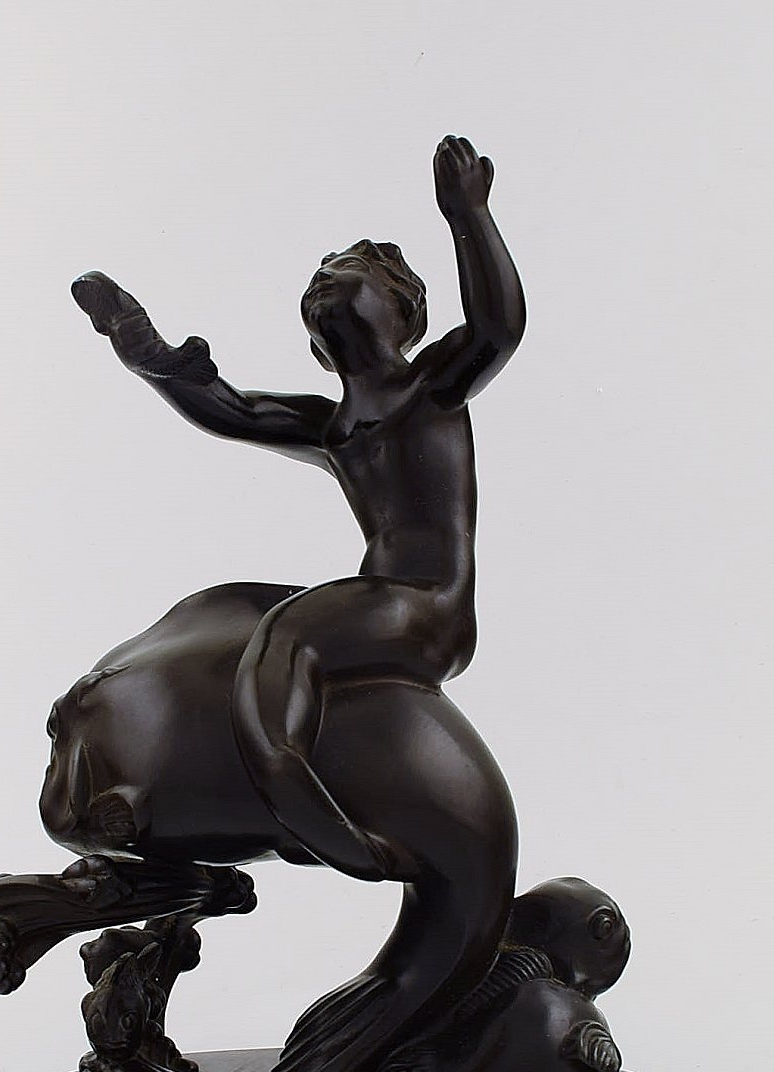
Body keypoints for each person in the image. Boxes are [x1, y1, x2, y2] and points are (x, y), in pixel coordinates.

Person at [73, 136, 525, 883]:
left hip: (427, 604)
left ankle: (297, 792)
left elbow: (497, 328)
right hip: (376, 596)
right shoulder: (331, 424)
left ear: (400, 309)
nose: (321, 281)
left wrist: (467, 215)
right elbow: (233, 410)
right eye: (315, 280)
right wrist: (144, 349)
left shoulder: (433, 389)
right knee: (230, 611)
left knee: (288, 634)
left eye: (341, 270)